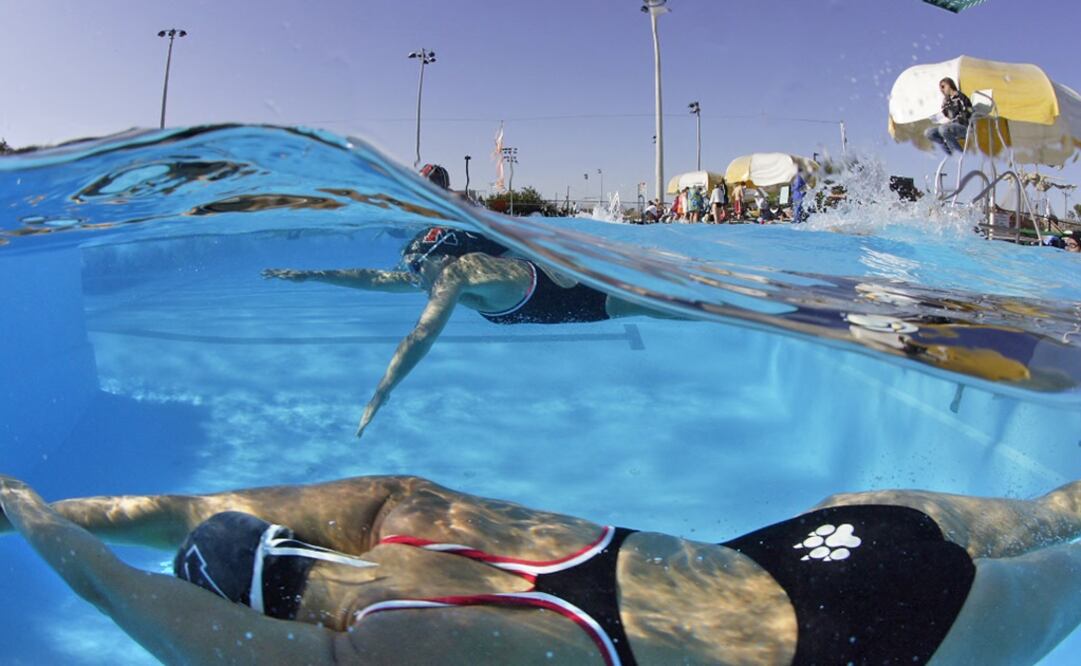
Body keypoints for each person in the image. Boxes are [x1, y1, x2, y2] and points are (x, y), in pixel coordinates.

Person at [6, 472, 1081, 664]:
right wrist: (35, 507)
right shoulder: (407, 508)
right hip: (832, 538)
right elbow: (186, 514)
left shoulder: (393, 652)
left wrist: (54, 536)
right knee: (1054, 512)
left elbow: (118, 590)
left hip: (871, 643)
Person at [263, 222, 674, 437]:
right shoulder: (440, 272)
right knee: (653, 307)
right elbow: (373, 278)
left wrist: (381, 392)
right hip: (565, 302)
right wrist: (310, 275)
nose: (411, 276)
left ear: (441, 257)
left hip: (575, 289)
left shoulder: (459, 271)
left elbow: (420, 335)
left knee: (662, 305)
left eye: (415, 267)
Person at [924, 77, 974, 156]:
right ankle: (948, 149)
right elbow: (947, 115)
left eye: (943, 86)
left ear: (949, 84)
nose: (942, 89)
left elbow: (969, 110)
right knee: (929, 132)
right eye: (940, 88)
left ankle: (959, 154)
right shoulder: (948, 101)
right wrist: (944, 107)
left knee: (943, 129)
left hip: (964, 126)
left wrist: (959, 118)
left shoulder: (960, 96)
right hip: (953, 126)